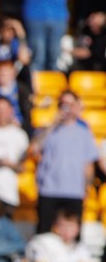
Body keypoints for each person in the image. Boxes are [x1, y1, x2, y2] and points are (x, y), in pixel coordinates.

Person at [30, 91, 100, 234]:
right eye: (63, 104)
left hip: (73, 191)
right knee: (44, 234)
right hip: (49, 190)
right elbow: (34, 148)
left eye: (70, 104)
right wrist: (53, 124)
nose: (66, 108)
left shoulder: (84, 133)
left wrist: (86, 187)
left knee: (72, 236)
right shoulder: (48, 130)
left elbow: (88, 165)